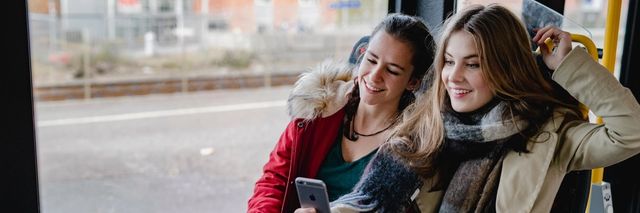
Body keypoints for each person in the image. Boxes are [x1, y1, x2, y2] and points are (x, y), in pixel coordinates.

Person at [329, 4, 640, 212]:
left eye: (473, 64)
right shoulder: (427, 123)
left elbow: (631, 131)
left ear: (505, 68)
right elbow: (371, 199)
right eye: (449, 62)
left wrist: (569, 66)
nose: (453, 77)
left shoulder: (549, 134)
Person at [247, 13, 435, 213]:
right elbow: (273, 181)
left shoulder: (413, 149)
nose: (374, 76)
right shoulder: (317, 109)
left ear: (413, 82)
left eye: (392, 70)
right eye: (371, 60)